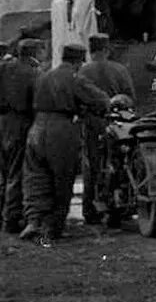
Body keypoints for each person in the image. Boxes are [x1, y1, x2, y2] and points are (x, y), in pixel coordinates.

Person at [21, 43, 110, 245]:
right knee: (62, 178)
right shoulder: (74, 79)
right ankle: (53, 228)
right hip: (61, 129)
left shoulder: (42, 76)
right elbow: (101, 100)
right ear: (78, 61)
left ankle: (33, 221)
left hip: (36, 127)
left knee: (36, 176)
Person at [77, 33, 137, 224]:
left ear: (90, 50)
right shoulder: (119, 69)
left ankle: (90, 210)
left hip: (92, 123)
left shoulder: (83, 71)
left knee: (92, 166)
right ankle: (118, 208)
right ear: (106, 49)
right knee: (119, 163)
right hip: (118, 123)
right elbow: (130, 97)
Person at [0, 39, 40, 235]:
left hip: (2, 121)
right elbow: (35, 103)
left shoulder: (4, 67)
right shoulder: (32, 73)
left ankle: (4, 213)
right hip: (20, 122)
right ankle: (10, 219)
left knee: (4, 171)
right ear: (32, 54)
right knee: (17, 172)